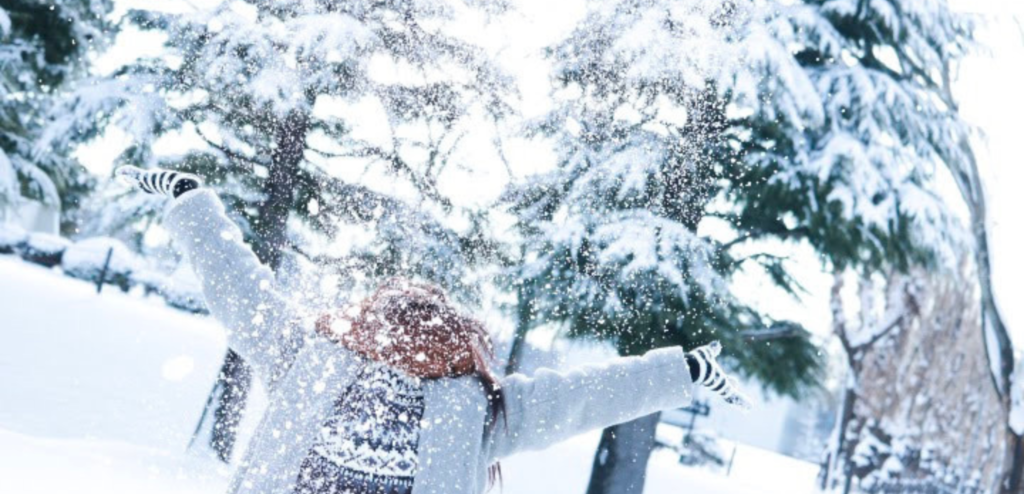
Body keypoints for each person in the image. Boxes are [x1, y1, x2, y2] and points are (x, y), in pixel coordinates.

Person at [116, 165, 749, 494]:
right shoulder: (475, 409)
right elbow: (583, 397)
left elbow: (239, 289)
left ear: (370, 321)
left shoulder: (312, 361)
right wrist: (682, 370)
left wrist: (192, 199)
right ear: (459, 340)